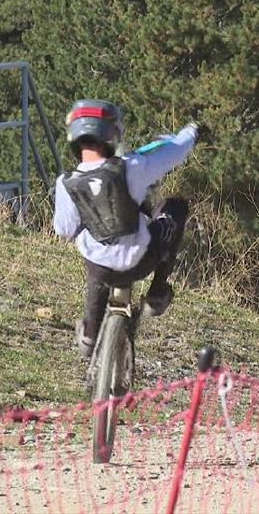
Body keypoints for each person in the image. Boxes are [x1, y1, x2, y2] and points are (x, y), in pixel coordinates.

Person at [53, 99, 199, 359]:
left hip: (99, 267)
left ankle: (89, 334)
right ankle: (156, 295)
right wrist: (192, 131)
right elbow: (175, 151)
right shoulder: (131, 167)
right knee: (175, 207)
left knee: (96, 266)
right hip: (141, 262)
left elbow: (64, 230)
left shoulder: (66, 184)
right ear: (112, 133)